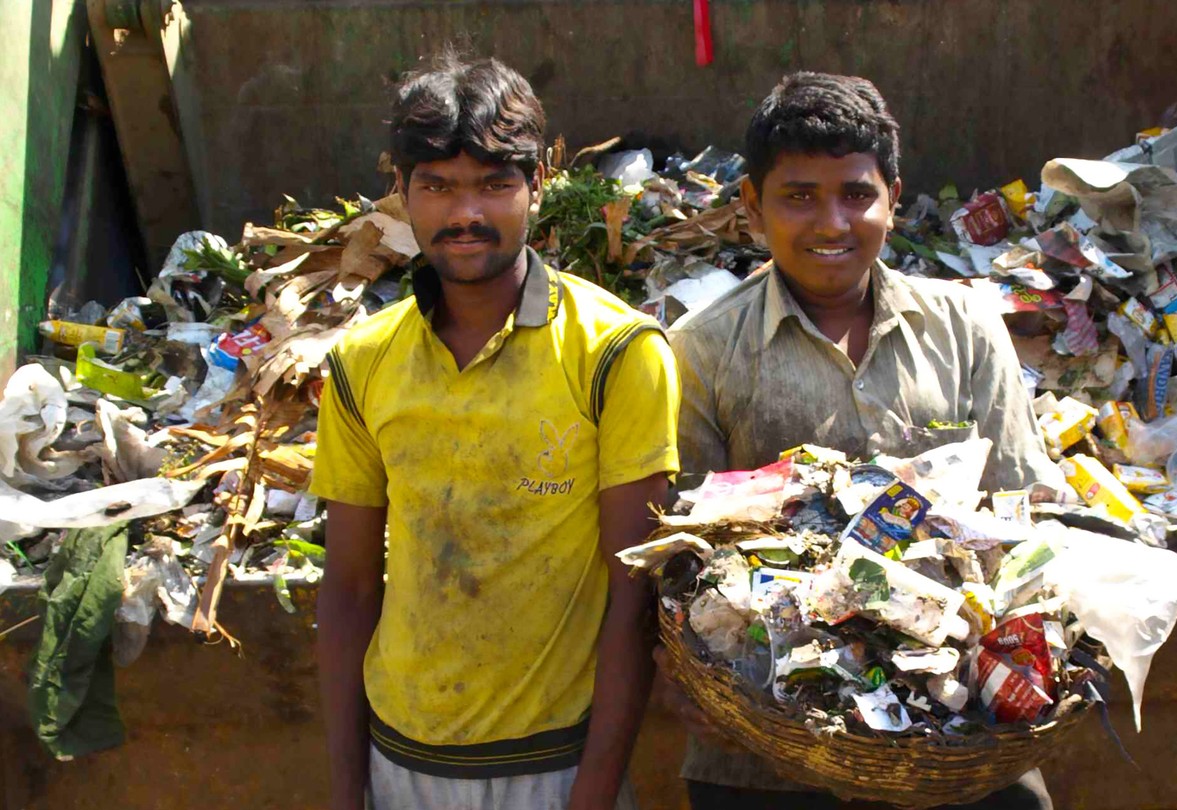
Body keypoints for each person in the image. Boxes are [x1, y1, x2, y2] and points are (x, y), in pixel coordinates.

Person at [662, 71, 1064, 810]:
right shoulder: (701, 351)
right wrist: (687, 674)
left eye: (856, 194)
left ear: (894, 197)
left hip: (955, 733)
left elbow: (1024, 503)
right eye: (798, 196)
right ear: (752, 206)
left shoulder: (965, 327)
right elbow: (679, 553)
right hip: (768, 744)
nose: (832, 224)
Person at [312, 52, 679, 810]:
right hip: (400, 762)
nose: (464, 213)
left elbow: (632, 595)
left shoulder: (617, 354)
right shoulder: (362, 361)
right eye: (437, 186)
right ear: (403, 196)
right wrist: (350, 790)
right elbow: (348, 589)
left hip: (556, 769)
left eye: (494, 184)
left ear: (539, 185)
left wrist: (594, 793)